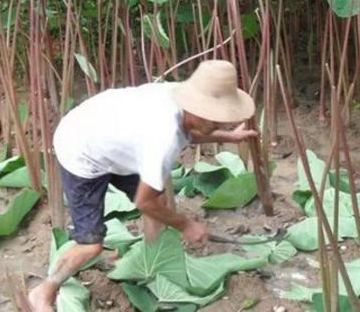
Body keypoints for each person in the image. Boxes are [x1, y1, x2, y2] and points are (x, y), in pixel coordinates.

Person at [27, 60, 258, 312]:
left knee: (159, 206)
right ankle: (44, 290)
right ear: (197, 109)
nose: (220, 124)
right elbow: (143, 201)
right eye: (216, 120)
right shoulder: (163, 138)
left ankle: (150, 261)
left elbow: (191, 130)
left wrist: (229, 136)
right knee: (91, 244)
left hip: (111, 136)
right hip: (81, 149)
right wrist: (186, 224)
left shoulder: (181, 97)